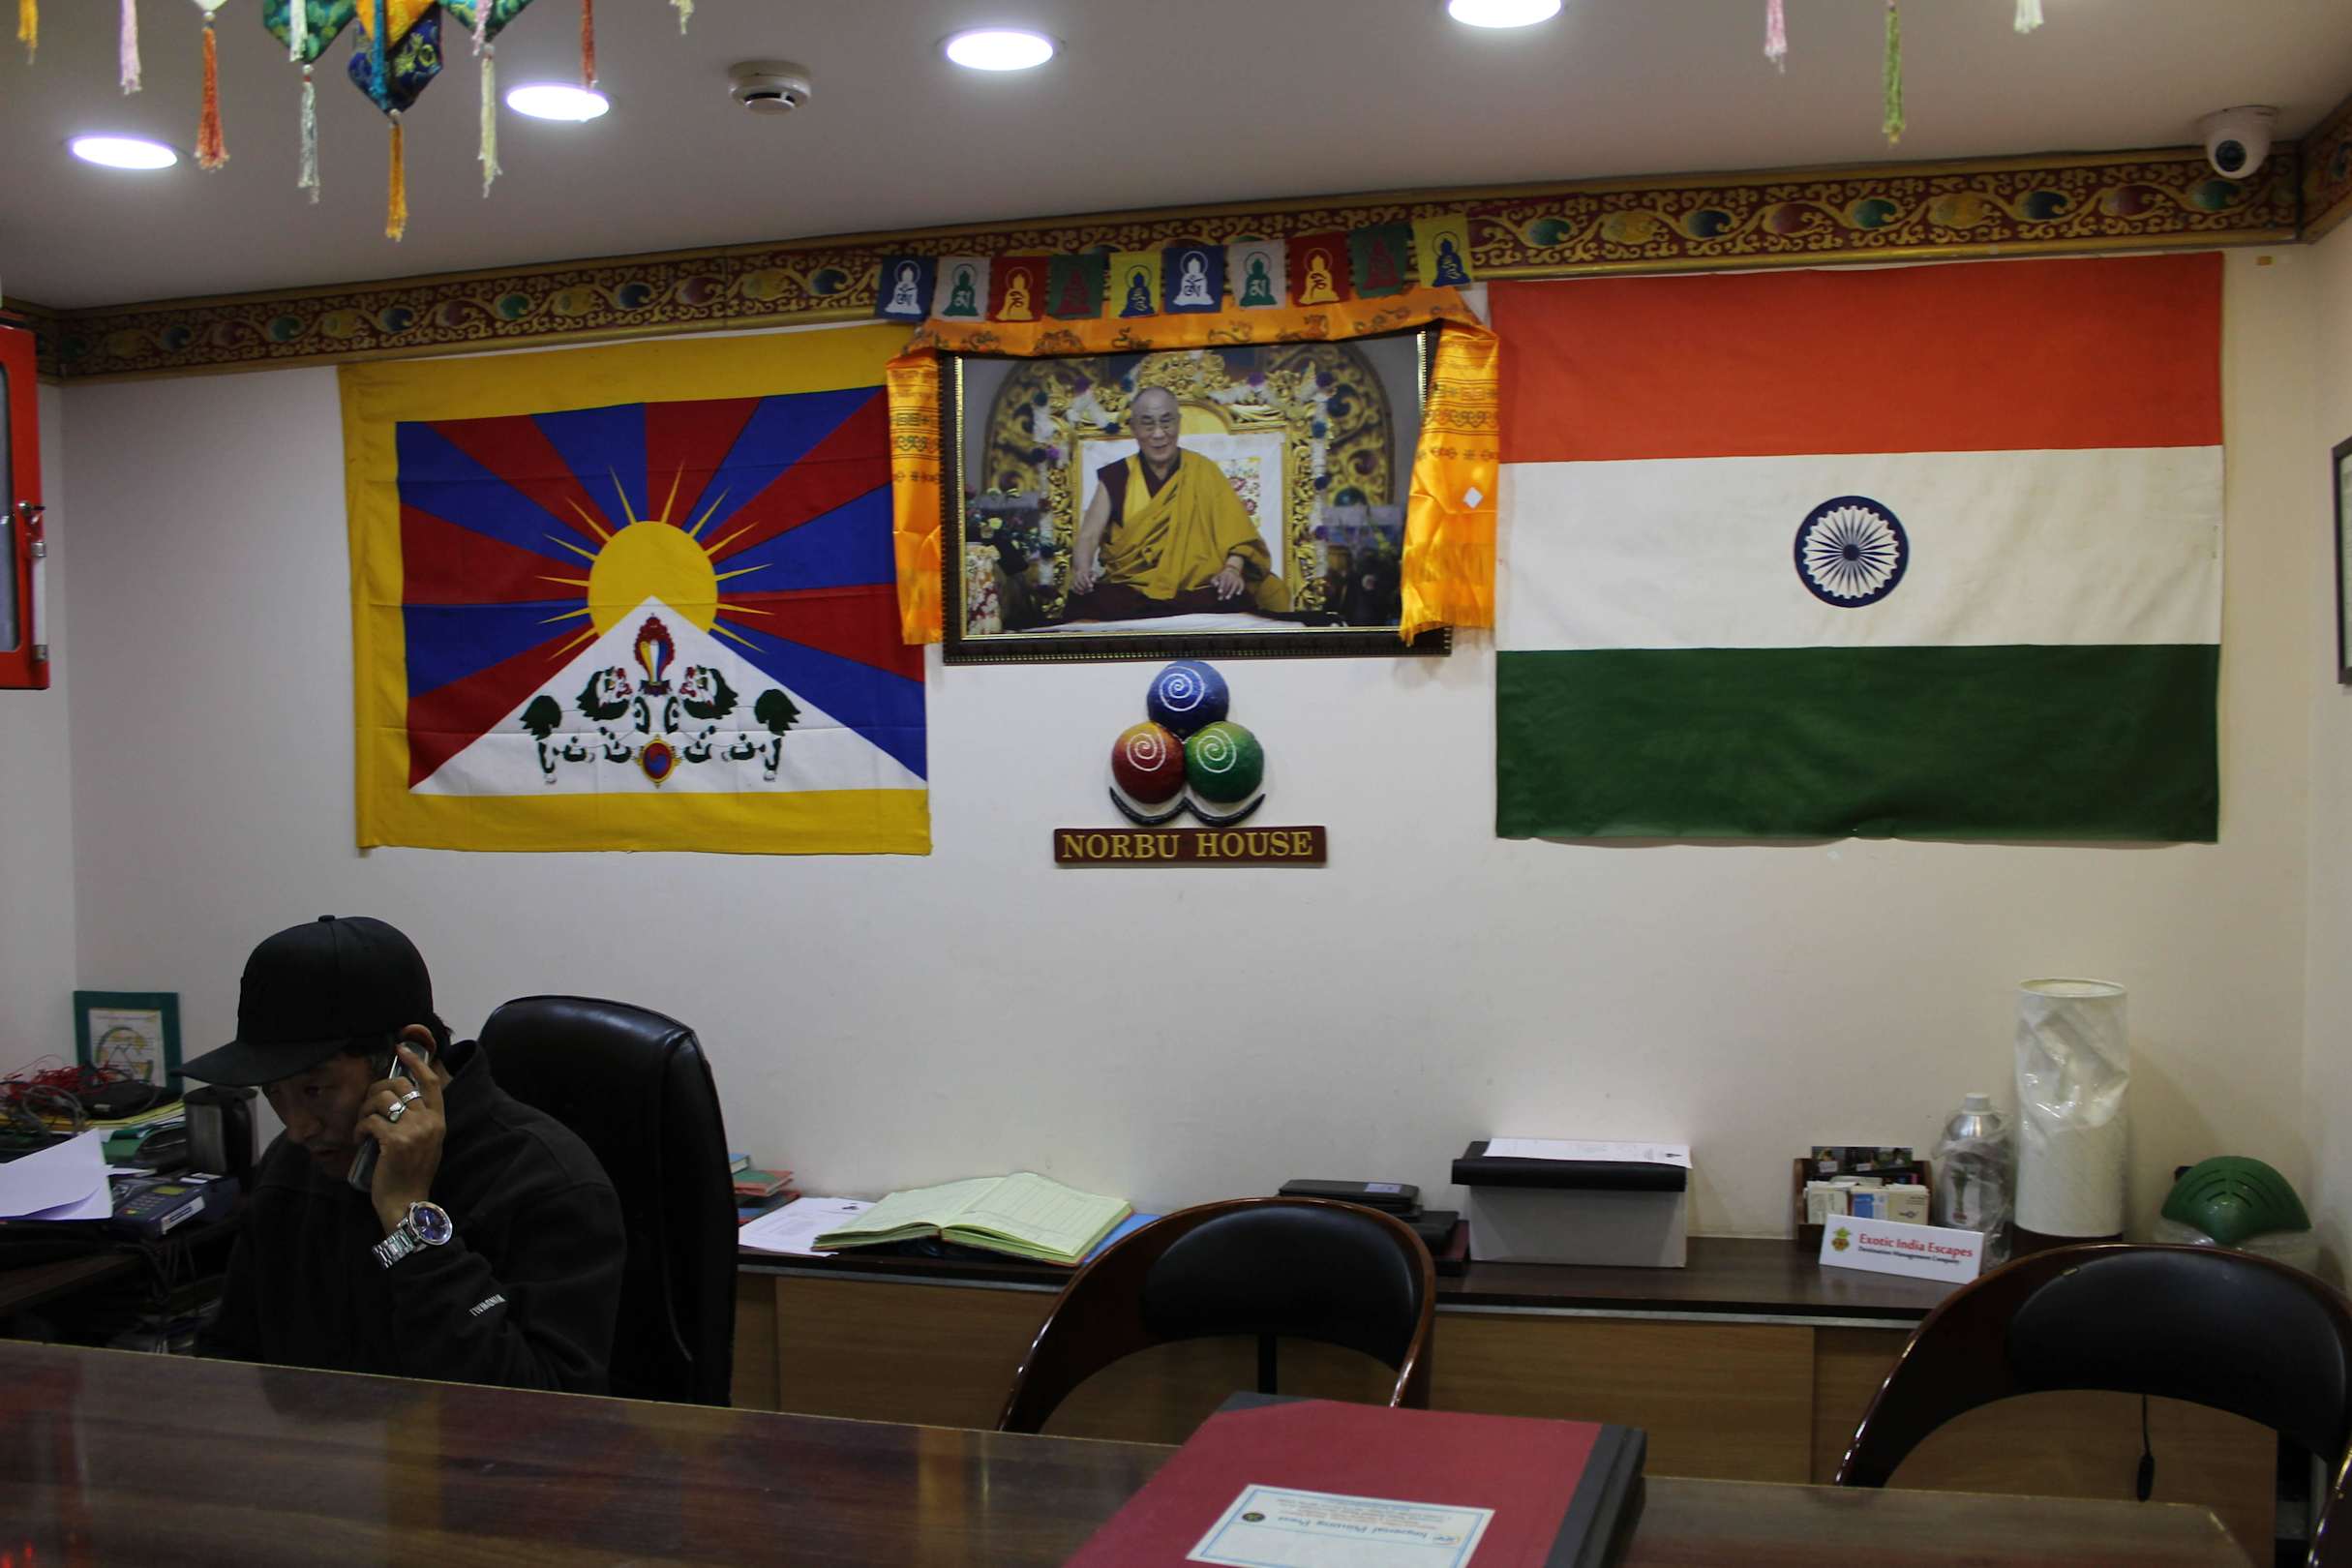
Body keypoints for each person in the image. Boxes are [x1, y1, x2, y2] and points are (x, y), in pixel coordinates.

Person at [188, 916, 623, 1394]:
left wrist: (409, 1220)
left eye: (315, 1090)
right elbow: (229, 1358)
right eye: (275, 1093)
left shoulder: (548, 1181)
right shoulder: (292, 1167)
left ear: (411, 1054)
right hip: (318, 1441)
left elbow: (543, 1409)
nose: (297, 1129)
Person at [1062, 385, 1292, 620]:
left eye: (1166, 422)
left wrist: (1231, 570)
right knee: (1085, 601)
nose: (1158, 434)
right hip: (1133, 590)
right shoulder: (1116, 476)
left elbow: (1238, 537)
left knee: (1236, 596)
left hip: (1198, 589)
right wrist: (1082, 570)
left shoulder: (1204, 471)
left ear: (1179, 423)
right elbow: (1089, 535)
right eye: (1148, 424)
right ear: (1134, 428)